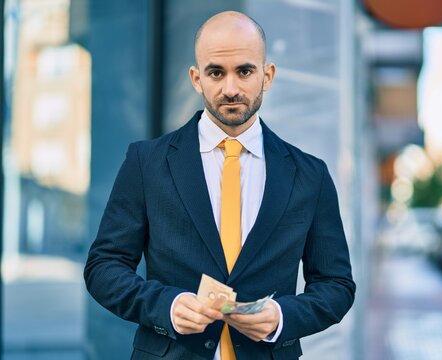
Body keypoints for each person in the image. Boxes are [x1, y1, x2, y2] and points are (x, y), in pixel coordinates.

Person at [84, 10, 355, 360]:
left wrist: (282, 317)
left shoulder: (310, 175)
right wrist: (167, 306)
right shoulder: (146, 162)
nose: (230, 88)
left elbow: (337, 285)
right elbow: (103, 267)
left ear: (267, 75)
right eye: (216, 72)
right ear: (197, 79)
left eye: (244, 71)